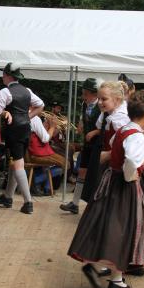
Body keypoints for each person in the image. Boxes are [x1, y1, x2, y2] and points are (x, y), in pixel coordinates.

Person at [68, 91, 144, 288]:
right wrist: (131, 176)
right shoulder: (136, 136)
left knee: (110, 227)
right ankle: (116, 278)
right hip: (125, 186)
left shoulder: (124, 129)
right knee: (126, 229)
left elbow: (112, 147)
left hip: (111, 181)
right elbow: (131, 161)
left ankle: (106, 272)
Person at [0, 63, 45, 214]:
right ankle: (8, 197)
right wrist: (27, 116)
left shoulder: (5, 92)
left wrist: (5, 115)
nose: (2, 77)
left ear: (8, 76)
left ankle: (28, 202)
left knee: (18, 164)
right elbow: (41, 105)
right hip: (26, 129)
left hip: (14, 131)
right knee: (15, 162)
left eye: (3, 74)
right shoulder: (27, 91)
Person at [78, 81, 131, 209]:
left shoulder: (120, 118)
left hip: (115, 163)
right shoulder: (110, 114)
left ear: (117, 99)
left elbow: (125, 146)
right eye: (99, 98)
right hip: (109, 161)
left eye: (104, 99)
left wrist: (108, 155)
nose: (100, 102)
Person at [60, 78, 101, 214]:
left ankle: (93, 206)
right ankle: (75, 203)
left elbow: (108, 125)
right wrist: (81, 125)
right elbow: (84, 118)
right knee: (81, 173)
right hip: (87, 144)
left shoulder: (101, 105)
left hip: (98, 145)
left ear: (94, 94)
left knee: (95, 175)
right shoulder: (85, 104)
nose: (83, 96)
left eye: (85, 93)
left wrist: (95, 131)